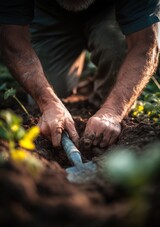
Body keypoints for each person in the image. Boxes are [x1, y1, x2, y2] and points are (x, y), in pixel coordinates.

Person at [0, 0, 159, 149]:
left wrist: (113, 111)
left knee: (114, 47)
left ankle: (102, 103)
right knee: (52, 91)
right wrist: (48, 103)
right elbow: (12, 40)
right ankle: (78, 73)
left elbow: (145, 45)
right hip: (48, 12)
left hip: (111, 8)